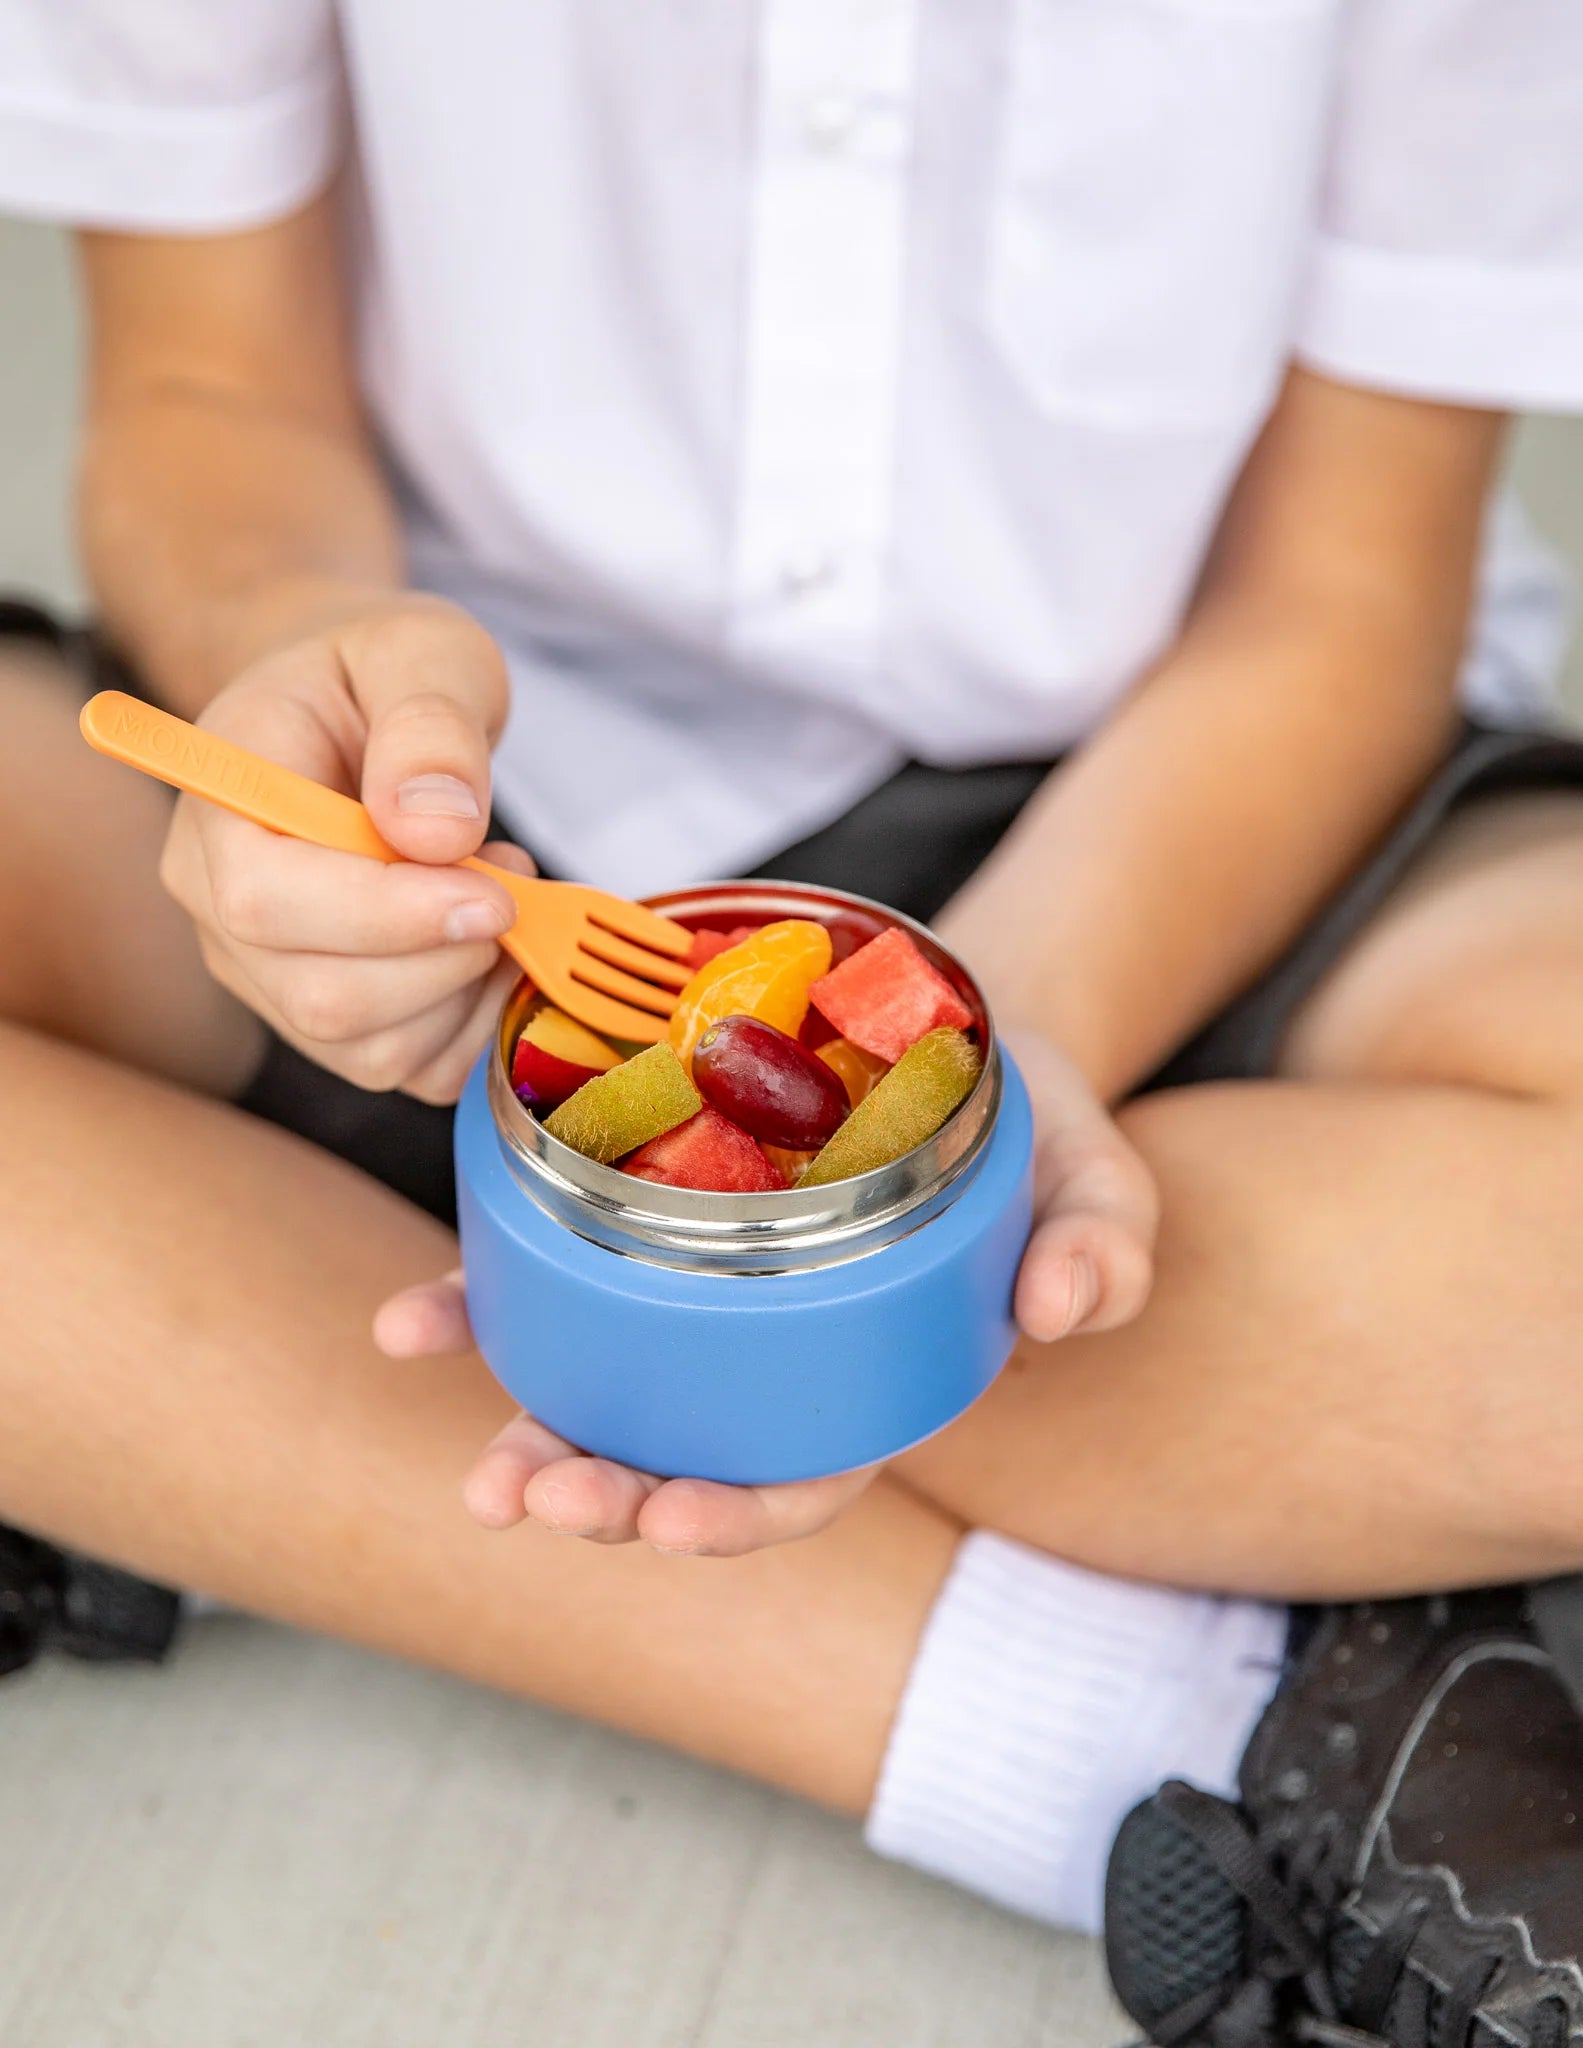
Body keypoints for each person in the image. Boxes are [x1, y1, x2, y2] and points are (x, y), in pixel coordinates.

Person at [1, 6, 1582, 2040]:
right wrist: (296, 679)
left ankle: (226, 1384)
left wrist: (1019, 1060)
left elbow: (1338, 607)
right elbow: (208, 391)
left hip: (1191, 806)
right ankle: (1183, 1731)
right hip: (461, 758)